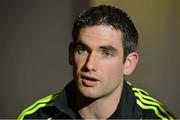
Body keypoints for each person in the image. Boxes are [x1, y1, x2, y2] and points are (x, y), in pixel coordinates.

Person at [18, 5, 175, 119]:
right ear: (70, 53)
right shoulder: (36, 116)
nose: (90, 65)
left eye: (106, 53)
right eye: (83, 49)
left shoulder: (155, 117)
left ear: (129, 63)